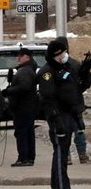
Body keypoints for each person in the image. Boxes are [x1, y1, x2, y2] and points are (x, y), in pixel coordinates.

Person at [40, 39, 85, 189]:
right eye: (63, 52)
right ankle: (60, 185)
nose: (66, 55)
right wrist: (56, 119)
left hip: (69, 115)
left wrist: (85, 73)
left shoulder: (64, 68)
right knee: (60, 155)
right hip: (59, 117)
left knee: (62, 153)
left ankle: (59, 184)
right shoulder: (48, 72)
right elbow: (48, 98)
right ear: (57, 54)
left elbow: (76, 89)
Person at [4, 47, 38, 167]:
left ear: (27, 57)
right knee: (28, 133)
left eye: (20, 55)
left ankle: (23, 158)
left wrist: (9, 91)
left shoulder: (24, 71)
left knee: (22, 133)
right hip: (27, 107)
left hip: (22, 108)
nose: (18, 58)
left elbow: (24, 86)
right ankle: (29, 157)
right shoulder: (28, 70)